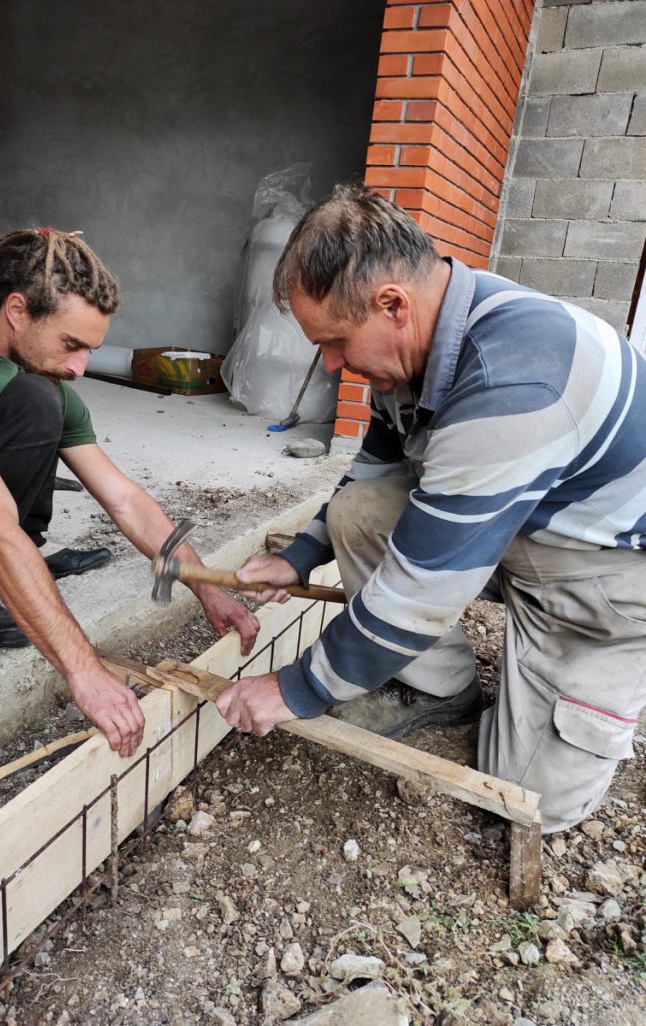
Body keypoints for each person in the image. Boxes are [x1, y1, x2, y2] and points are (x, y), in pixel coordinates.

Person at [215, 183, 646, 834]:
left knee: (519, 803)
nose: (331, 365)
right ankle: (439, 684)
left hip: (604, 577)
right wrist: (300, 557)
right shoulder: (421, 344)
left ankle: (578, 674)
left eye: (334, 342)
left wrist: (295, 688)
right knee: (358, 510)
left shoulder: (516, 381)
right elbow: (376, 467)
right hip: (514, 522)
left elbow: (421, 589)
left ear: (392, 304)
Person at [0, 227, 259, 758]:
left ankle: (1, 571)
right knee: (33, 404)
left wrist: (208, 587)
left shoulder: (36, 374)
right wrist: (84, 670)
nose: (80, 367)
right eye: (71, 344)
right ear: (16, 310)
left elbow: (125, 499)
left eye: (89, 350)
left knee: (38, 402)